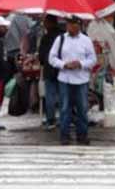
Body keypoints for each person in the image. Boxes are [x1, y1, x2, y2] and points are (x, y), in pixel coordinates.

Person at [49, 15, 96, 145]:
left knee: (82, 108)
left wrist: (80, 64)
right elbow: (52, 58)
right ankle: (64, 135)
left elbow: (93, 60)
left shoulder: (86, 40)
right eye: (67, 24)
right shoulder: (60, 39)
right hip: (65, 78)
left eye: (72, 24)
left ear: (78, 25)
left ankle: (82, 135)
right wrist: (64, 65)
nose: (69, 27)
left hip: (81, 80)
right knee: (65, 108)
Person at [38, 14, 60, 130]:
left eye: (45, 22)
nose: (44, 24)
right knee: (63, 95)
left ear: (50, 23)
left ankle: (50, 120)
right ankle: (64, 118)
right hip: (62, 70)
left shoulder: (46, 38)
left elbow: (41, 56)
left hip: (49, 70)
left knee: (50, 95)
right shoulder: (62, 36)